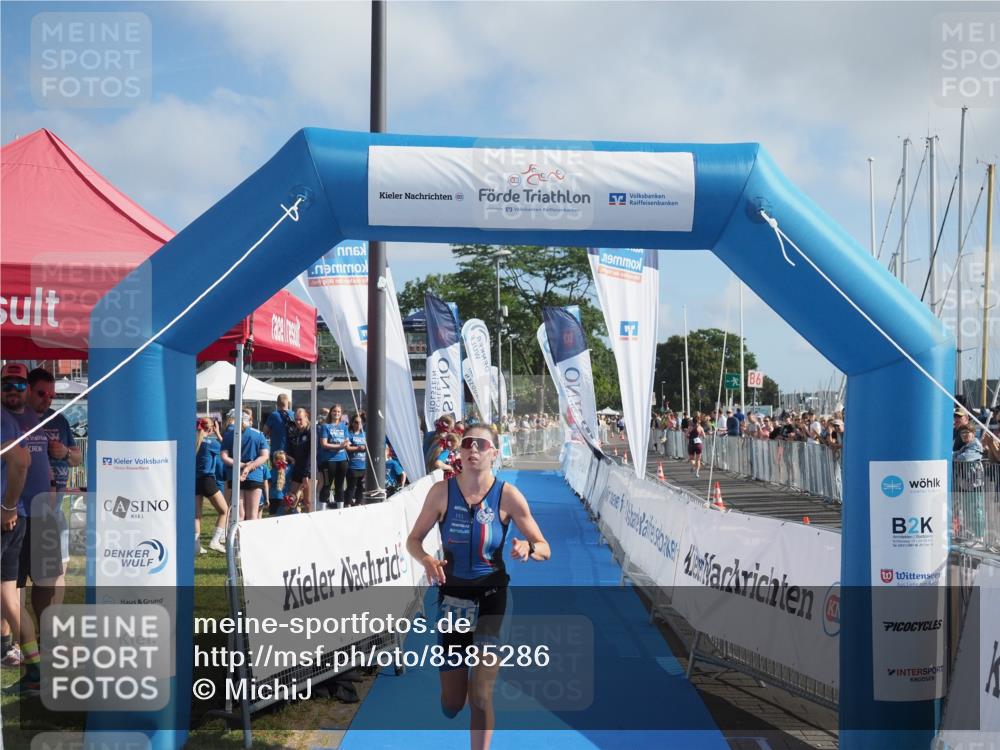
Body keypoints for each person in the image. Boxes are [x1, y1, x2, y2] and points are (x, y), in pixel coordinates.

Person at [406, 424, 550, 750]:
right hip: (453, 600)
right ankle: (450, 700)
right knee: (454, 702)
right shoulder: (441, 493)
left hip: (492, 597)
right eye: (468, 443)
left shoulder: (508, 496)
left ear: (493, 453)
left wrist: (529, 549)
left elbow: (544, 546)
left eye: (481, 445)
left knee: (481, 695)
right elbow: (413, 541)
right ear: (459, 450)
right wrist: (427, 559)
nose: (473, 449)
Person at [1, 363, 51, 696]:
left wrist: (7, 506)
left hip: (10, 518)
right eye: (8, 385)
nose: (14, 391)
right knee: (9, 599)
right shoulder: (15, 418)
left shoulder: (7, 419)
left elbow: (21, 460)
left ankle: (35, 670)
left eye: (20, 386)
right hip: (17, 516)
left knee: (11, 598)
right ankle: (34, 669)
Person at [220, 408, 270, 522]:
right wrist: (249, 467)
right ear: (249, 420)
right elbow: (264, 456)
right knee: (253, 515)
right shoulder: (259, 434)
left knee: (238, 515)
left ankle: (237, 539)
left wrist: (242, 465)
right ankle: (250, 540)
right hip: (255, 476)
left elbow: (224, 457)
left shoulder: (229, 435)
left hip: (235, 476)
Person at [195, 419, 229, 554]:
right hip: (208, 480)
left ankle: (196, 545)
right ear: (211, 429)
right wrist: (219, 434)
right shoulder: (212, 443)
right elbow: (226, 449)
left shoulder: (194, 442)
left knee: (196, 516)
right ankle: (215, 541)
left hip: (195, 480)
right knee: (224, 511)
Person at [320, 404, 350, 509]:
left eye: (338, 412)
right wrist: (339, 446)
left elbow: (347, 442)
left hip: (342, 460)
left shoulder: (344, 427)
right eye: (334, 411)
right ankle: (322, 510)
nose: (336, 413)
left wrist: (344, 444)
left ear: (341, 414)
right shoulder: (325, 426)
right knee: (327, 485)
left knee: (340, 486)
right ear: (331, 413)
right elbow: (324, 444)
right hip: (329, 461)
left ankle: (340, 510)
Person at [287, 408, 315, 513]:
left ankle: (312, 523)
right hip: (298, 469)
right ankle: (296, 518)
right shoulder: (296, 432)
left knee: (308, 502)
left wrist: (306, 474)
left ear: (306, 417)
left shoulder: (311, 431)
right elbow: (294, 452)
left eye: (300, 419)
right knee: (291, 499)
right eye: (296, 420)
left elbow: (311, 454)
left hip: (309, 471)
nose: (298, 422)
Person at [345, 413, 367, 507]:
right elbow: (347, 448)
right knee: (351, 487)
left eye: (360, 423)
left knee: (361, 487)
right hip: (352, 465)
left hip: (363, 466)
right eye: (356, 422)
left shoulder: (365, 435)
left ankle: (358, 503)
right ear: (352, 423)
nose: (358, 425)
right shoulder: (349, 434)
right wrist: (358, 448)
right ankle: (348, 503)